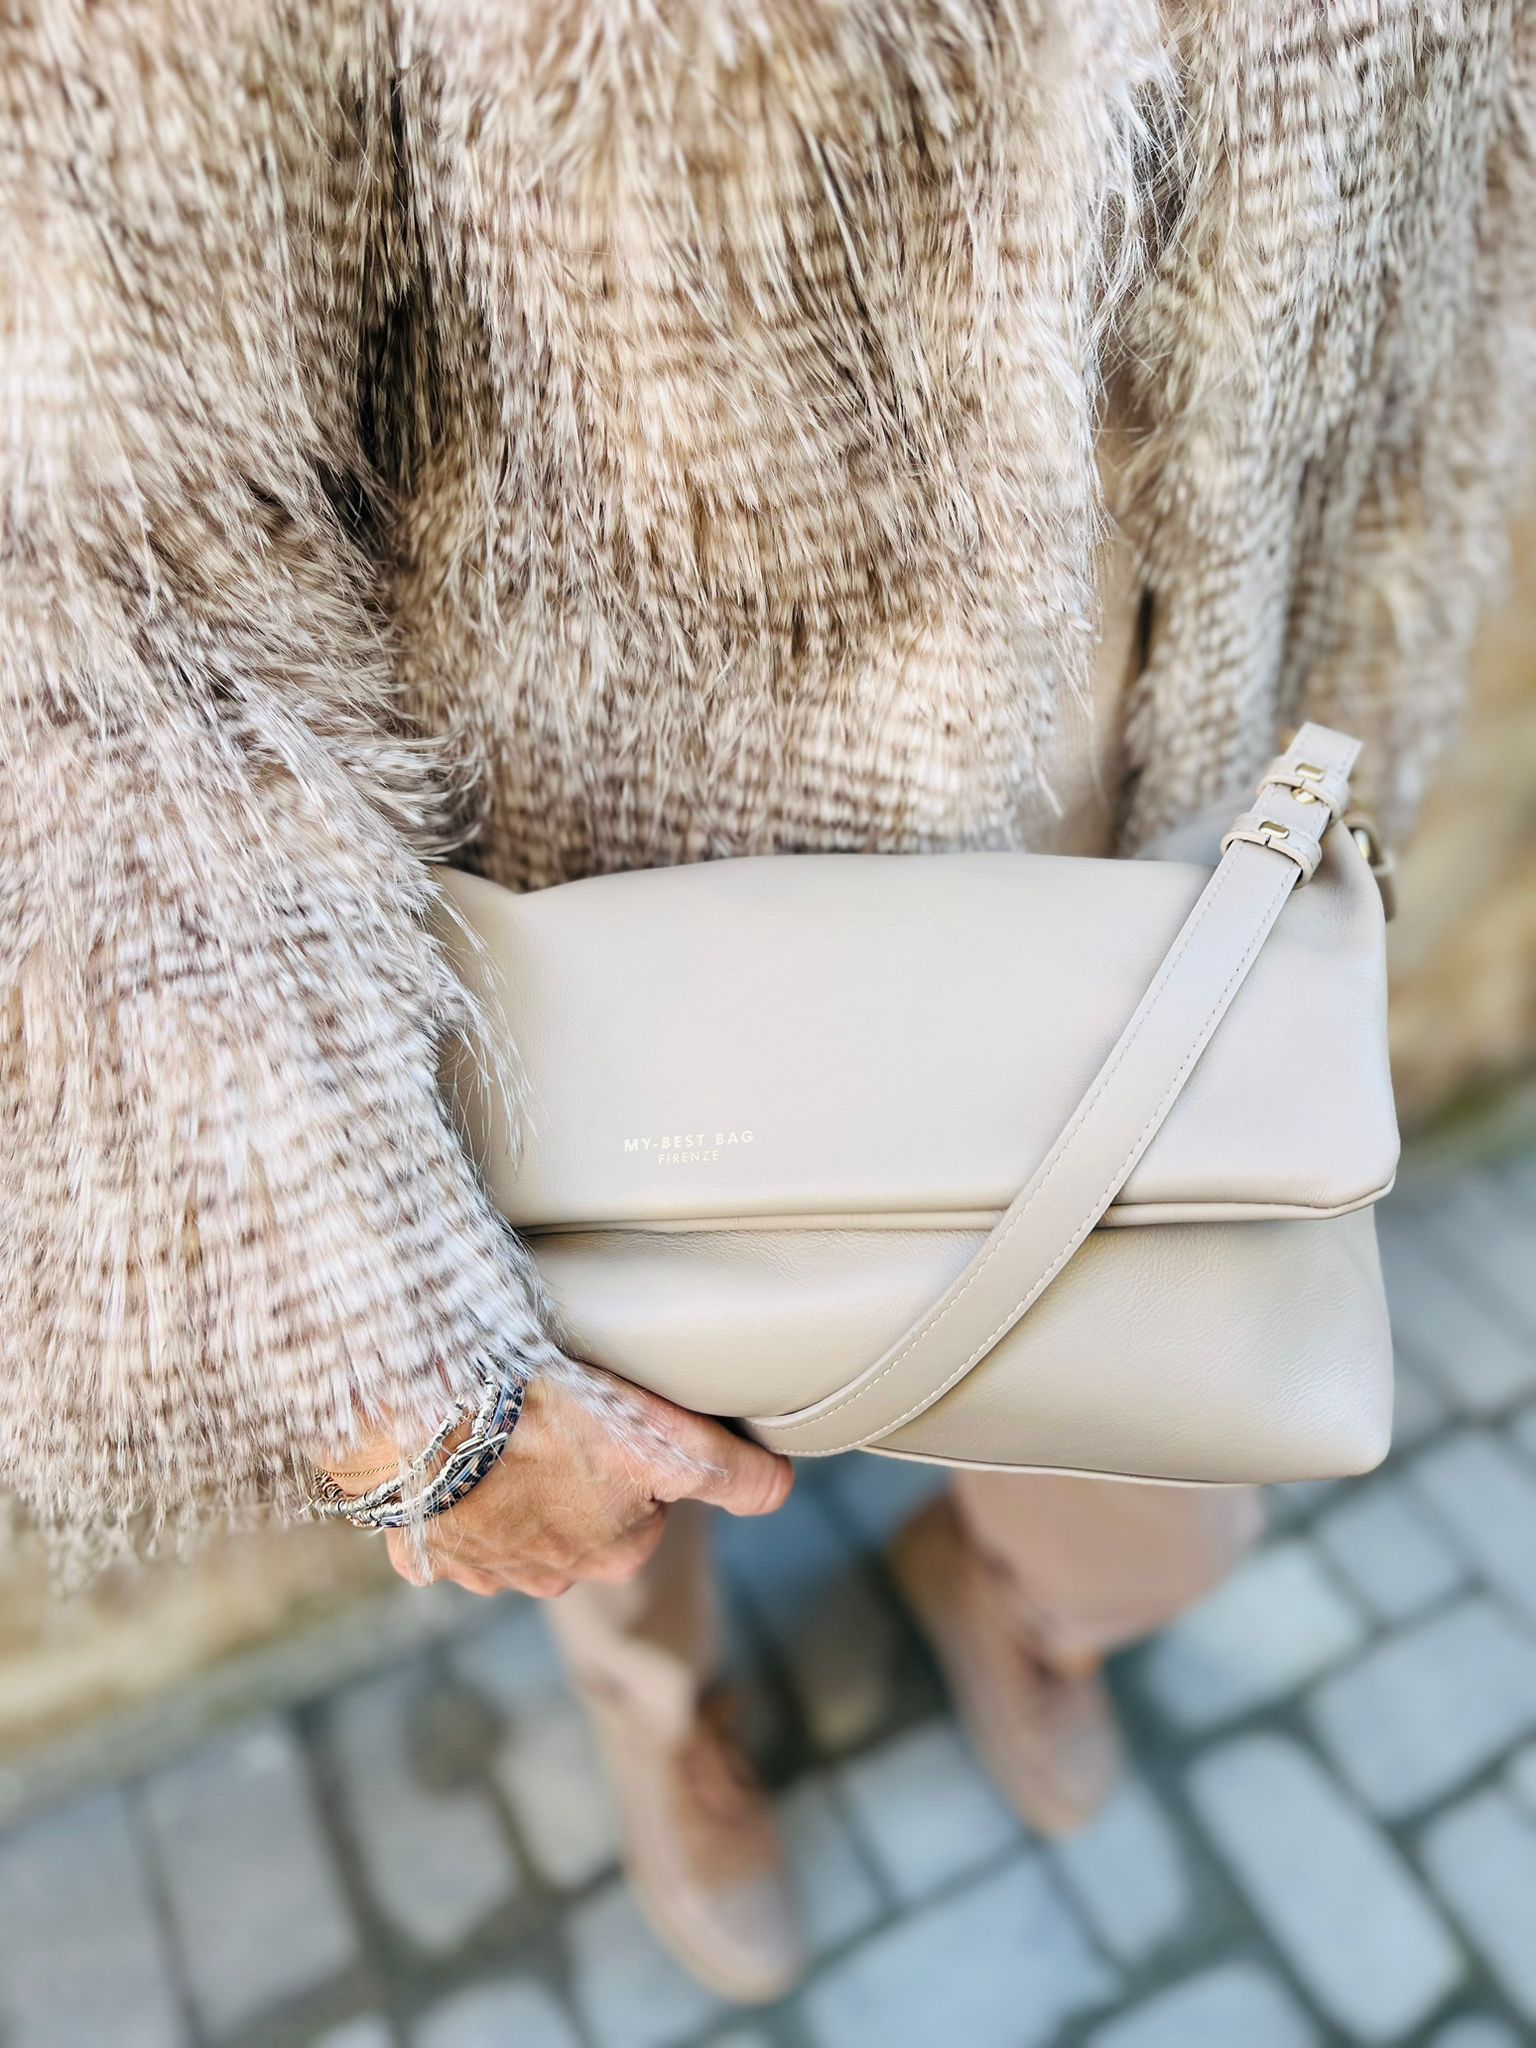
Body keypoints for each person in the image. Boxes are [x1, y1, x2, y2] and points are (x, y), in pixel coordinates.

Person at [4, 0, 1531, 2006]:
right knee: (615, 1470)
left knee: (1161, 1468)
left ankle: (1029, 1595)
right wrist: (398, 1378)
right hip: (603, 903)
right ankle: (668, 1715)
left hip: (1154, 825)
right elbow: (99, 583)